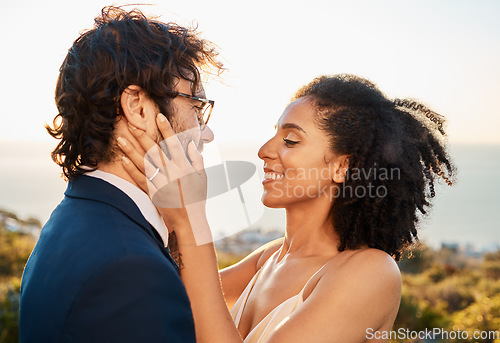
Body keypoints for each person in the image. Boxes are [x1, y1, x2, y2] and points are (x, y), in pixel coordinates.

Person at [119, 74, 454, 342]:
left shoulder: (370, 273)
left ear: (342, 167)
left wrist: (190, 217)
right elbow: (170, 301)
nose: (265, 150)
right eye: (274, 135)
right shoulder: (269, 258)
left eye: (290, 140)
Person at [19, 6, 222, 342]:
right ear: (138, 107)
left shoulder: (73, 216)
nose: (206, 133)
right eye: (197, 107)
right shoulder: (131, 271)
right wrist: (193, 220)